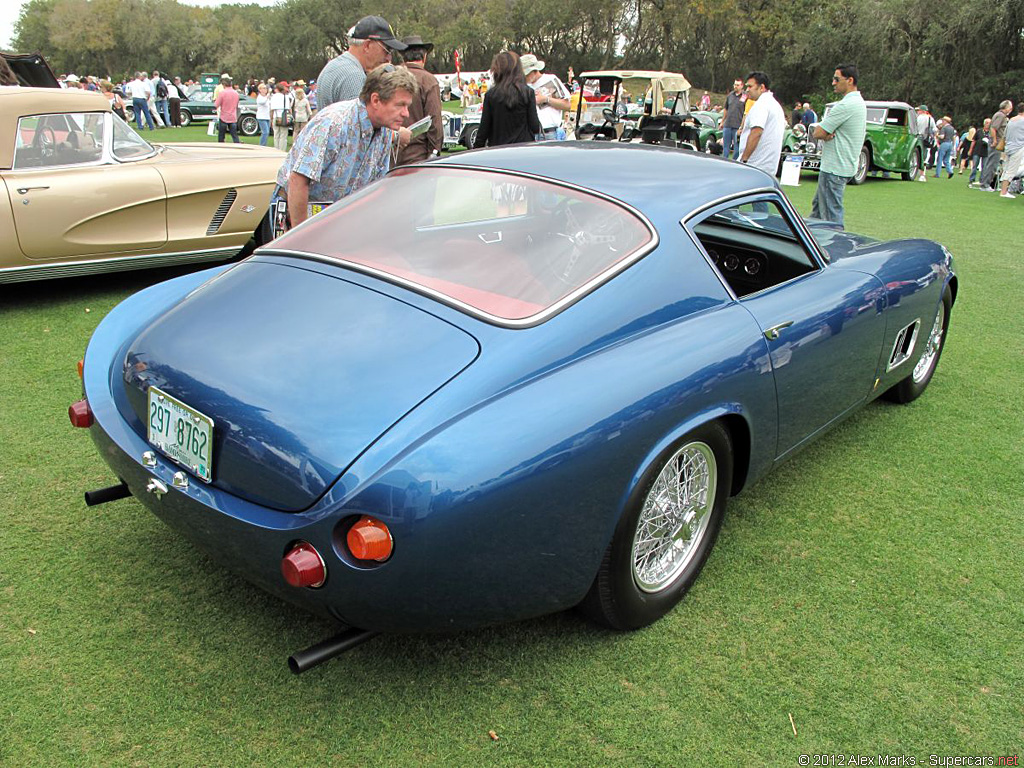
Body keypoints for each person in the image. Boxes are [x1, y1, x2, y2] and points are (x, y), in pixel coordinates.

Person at [274, 64, 417, 229]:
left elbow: (375, 190)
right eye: (400, 105)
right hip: (295, 214)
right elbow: (298, 180)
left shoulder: (385, 132)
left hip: (334, 218)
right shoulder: (333, 123)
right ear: (376, 100)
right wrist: (300, 236)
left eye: (407, 106)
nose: (406, 113)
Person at [810, 63, 866, 228]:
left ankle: (837, 249)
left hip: (833, 169)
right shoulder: (859, 102)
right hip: (841, 167)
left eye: (836, 79)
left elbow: (817, 132)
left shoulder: (845, 105)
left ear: (849, 80)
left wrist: (825, 134)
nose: (833, 83)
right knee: (817, 213)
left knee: (831, 221)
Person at [315, 16, 407, 110]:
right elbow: (358, 122)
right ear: (367, 45)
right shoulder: (353, 76)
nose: (388, 57)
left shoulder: (335, 65)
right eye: (387, 50)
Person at [473, 50, 540, 148]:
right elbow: (535, 127)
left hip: (499, 149)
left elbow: (483, 131)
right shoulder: (528, 92)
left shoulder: (491, 95)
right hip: (524, 148)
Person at [396, 35, 443, 164]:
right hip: (418, 156)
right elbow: (434, 121)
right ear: (424, 57)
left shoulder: (390, 77)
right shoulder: (428, 80)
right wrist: (434, 152)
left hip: (391, 155)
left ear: (403, 56)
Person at [738, 71, 785, 176]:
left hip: (755, 165)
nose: (747, 90)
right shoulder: (774, 105)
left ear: (762, 87)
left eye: (750, 86)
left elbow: (756, 132)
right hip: (768, 167)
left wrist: (744, 160)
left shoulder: (761, 105)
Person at [520, 54, 570, 140]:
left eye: (527, 74)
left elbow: (567, 105)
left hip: (550, 133)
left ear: (535, 71)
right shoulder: (523, 86)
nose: (526, 77)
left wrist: (545, 99)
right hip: (529, 133)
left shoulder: (551, 79)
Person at [979, 100, 1013, 192]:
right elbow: (993, 128)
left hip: (998, 142)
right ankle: (985, 184)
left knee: (993, 163)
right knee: (992, 164)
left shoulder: (1002, 116)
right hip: (996, 142)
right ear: (1005, 107)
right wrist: (994, 141)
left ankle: (986, 183)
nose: (1011, 109)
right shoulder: (1000, 115)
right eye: (1010, 107)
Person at [998, 102, 1024, 198]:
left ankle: (1003, 189)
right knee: (1012, 170)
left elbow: (1005, 134)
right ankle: (1004, 192)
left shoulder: (1012, 120)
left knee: (1007, 168)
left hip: (1009, 147)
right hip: (1018, 147)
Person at [719, 79, 744, 159]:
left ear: (741, 86)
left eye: (737, 85)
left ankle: (734, 162)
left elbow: (746, 112)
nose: (735, 86)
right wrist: (722, 121)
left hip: (737, 126)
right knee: (726, 146)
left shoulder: (745, 97)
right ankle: (724, 161)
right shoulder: (730, 95)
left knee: (737, 148)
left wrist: (742, 126)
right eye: (734, 85)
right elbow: (726, 109)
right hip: (728, 124)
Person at [214, 75, 241, 143]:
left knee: (221, 136)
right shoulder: (236, 93)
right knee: (234, 135)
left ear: (224, 85)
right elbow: (236, 105)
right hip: (233, 116)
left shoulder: (222, 93)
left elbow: (216, 105)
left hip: (224, 116)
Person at [968, 118, 991, 186]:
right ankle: (972, 179)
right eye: (987, 123)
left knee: (984, 166)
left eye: (989, 123)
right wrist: (970, 149)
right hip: (977, 150)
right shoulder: (979, 131)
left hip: (986, 151)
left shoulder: (991, 132)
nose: (988, 124)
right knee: (975, 165)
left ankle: (982, 180)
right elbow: (974, 141)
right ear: (985, 123)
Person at [271, 82, 294, 150]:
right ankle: (282, 150)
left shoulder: (273, 96)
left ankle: (276, 149)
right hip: (284, 117)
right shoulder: (286, 97)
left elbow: (272, 109)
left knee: (276, 135)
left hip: (276, 116)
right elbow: (289, 108)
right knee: (283, 136)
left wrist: (271, 119)